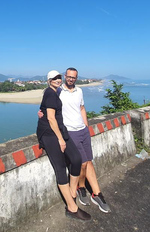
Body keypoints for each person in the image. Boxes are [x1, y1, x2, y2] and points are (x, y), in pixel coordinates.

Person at [39, 68, 111, 213]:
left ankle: (96, 193)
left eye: (74, 77)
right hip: (70, 131)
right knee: (82, 162)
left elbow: (82, 108)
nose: (71, 79)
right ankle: (81, 188)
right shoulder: (58, 91)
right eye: (69, 77)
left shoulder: (79, 91)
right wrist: (41, 112)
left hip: (82, 130)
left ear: (76, 78)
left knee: (89, 161)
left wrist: (86, 126)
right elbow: (47, 107)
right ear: (65, 77)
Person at [36, 70, 91, 221]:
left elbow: (45, 108)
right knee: (60, 168)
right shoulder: (50, 93)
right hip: (49, 134)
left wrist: (40, 110)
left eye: (59, 77)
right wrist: (60, 139)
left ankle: (72, 192)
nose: (57, 80)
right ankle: (72, 208)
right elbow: (51, 119)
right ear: (48, 80)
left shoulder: (58, 91)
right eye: (54, 78)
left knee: (76, 159)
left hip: (61, 130)